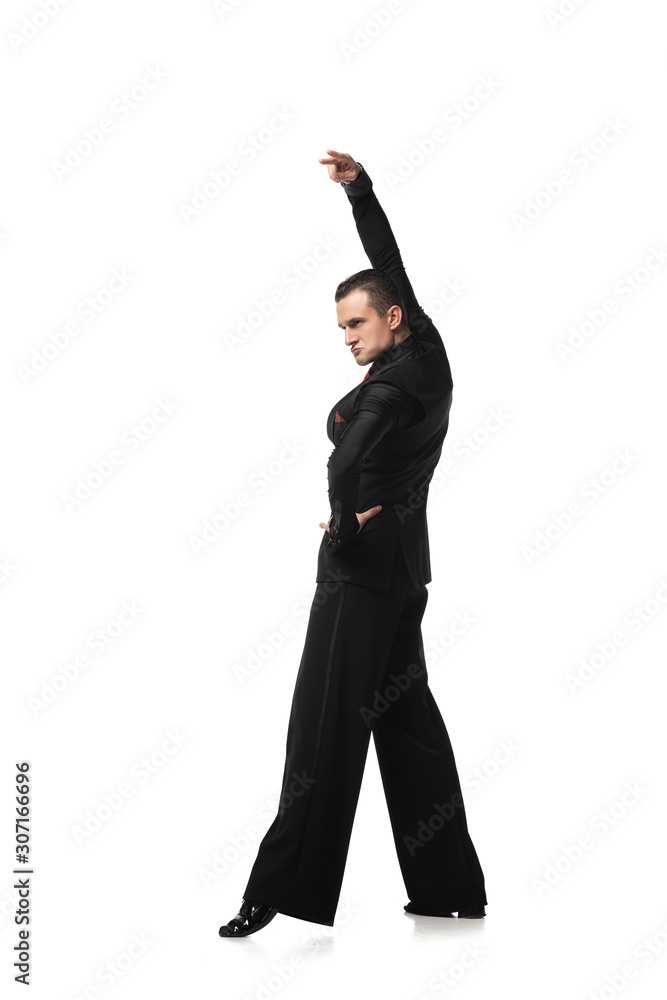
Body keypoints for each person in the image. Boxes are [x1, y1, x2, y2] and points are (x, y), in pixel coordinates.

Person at [218, 149, 487, 938]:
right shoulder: (427, 350)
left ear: (391, 317)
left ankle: (273, 891)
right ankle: (450, 889)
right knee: (406, 723)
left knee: (322, 724)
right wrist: (360, 193)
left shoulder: (395, 382)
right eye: (340, 327)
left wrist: (341, 520)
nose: (346, 338)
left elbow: (345, 460)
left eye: (355, 324)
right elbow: (387, 259)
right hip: (406, 574)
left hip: (360, 575)